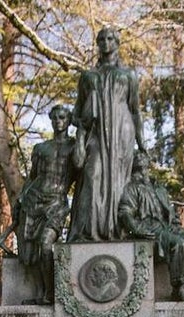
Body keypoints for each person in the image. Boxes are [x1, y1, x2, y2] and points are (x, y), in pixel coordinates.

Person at [68, 27, 146, 242]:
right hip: (95, 135)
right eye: (101, 39)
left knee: (121, 183)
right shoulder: (88, 76)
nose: (105, 42)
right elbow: (76, 113)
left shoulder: (128, 74)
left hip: (122, 132)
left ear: (117, 42)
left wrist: (143, 145)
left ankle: (118, 231)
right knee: (92, 176)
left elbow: (136, 110)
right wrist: (82, 126)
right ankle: (89, 232)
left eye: (110, 38)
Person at [0, 105, 76, 304]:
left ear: (69, 121)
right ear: (51, 120)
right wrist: (20, 202)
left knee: (46, 244)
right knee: (31, 249)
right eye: (55, 118)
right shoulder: (41, 148)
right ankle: (41, 292)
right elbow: (33, 177)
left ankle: (51, 294)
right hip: (34, 200)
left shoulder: (75, 147)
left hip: (57, 202)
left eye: (63, 117)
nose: (59, 121)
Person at [118, 152, 184, 302]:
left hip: (169, 227)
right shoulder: (131, 188)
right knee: (177, 243)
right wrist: (137, 229)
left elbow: (171, 212)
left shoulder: (159, 188)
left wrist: (176, 223)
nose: (142, 170)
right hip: (151, 228)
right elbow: (125, 212)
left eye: (144, 165)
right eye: (138, 165)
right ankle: (178, 289)